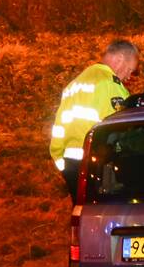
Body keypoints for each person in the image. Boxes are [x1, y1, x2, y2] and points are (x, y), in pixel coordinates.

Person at [50, 40, 139, 201]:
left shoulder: (73, 85)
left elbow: (59, 128)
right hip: (96, 165)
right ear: (119, 59)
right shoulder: (110, 84)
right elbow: (121, 129)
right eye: (130, 69)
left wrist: (61, 163)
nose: (128, 76)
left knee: (80, 214)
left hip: (70, 163)